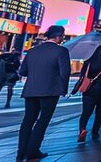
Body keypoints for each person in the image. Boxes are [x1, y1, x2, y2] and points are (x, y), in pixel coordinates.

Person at [17, 25, 70, 160]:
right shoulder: (61, 51)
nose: (63, 38)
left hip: (31, 90)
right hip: (50, 91)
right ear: (58, 36)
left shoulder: (32, 51)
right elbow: (65, 72)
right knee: (43, 120)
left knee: (28, 120)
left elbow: (22, 71)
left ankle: (20, 151)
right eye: (63, 36)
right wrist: (63, 89)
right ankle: (33, 150)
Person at [72, 45, 101, 142]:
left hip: (89, 90)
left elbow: (82, 76)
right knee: (99, 112)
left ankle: (82, 129)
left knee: (86, 112)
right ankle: (95, 132)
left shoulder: (88, 62)